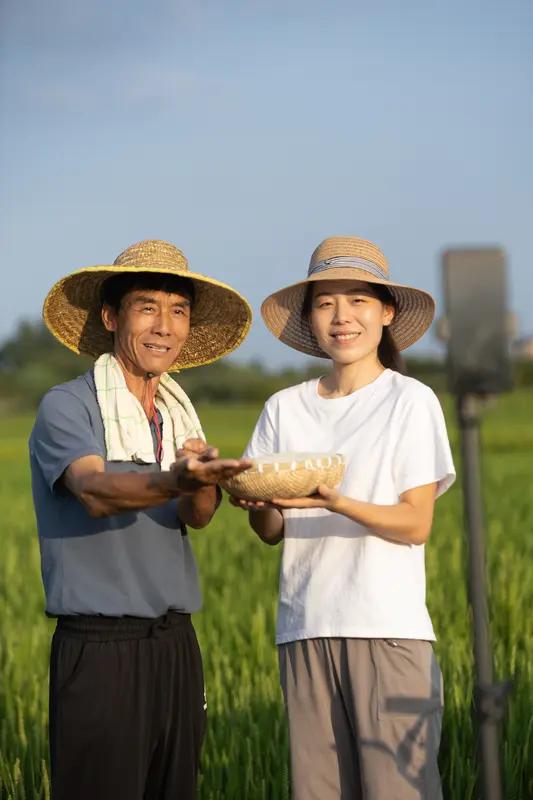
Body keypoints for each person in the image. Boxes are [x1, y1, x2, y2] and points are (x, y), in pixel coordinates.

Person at [232, 236, 455, 800]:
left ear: (386, 312)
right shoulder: (284, 407)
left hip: (387, 629)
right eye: (326, 303)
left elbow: (415, 523)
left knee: (397, 790)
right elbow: (272, 531)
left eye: (357, 300)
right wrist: (257, 505)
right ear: (311, 318)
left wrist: (337, 501)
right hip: (305, 626)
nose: (342, 317)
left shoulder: (410, 401)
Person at [29, 239, 252, 800]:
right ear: (111, 317)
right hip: (101, 649)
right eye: (147, 306)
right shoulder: (69, 405)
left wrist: (203, 479)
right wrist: (176, 479)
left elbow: (196, 518)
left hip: (175, 644)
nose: (165, 325)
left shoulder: (177, 416)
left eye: (178, 310)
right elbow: (95, 490)